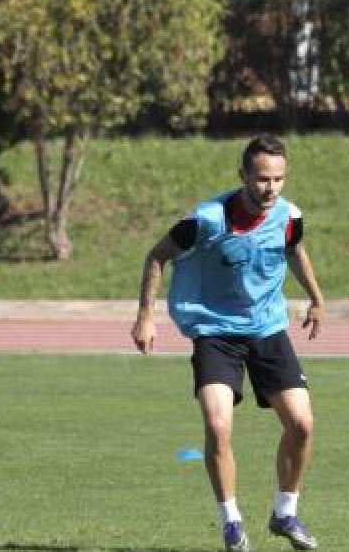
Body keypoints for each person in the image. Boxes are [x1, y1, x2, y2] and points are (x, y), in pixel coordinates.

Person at [131, 134, 325, 552]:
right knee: (218, 426)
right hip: (215, 332)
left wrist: (316, 297)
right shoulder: (206, 220)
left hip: (268, 329)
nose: (270, 188)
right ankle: (232, 524)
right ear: (243, 177)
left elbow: (294, 249)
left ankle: (285, 512)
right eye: (261, 179)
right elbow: (156, 255)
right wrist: (146, 315)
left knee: (303, 424)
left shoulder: (290, 216)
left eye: (278, 179)